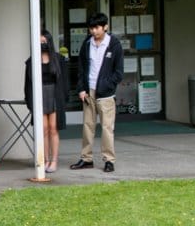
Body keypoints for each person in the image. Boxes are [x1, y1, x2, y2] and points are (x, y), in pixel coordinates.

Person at [70, 12, 124, 173]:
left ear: (105, 27)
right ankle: (86, 159)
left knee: (107, 128)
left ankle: (109, 160)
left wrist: (107, 85)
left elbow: (119, 72)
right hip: (88, 92)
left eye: (97, 28)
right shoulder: (87, 44)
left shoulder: (114, 45)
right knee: (87, 126)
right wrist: (81, 88)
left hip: (106, 94)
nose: (94, 31)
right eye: (91, 28)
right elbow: (81, 68)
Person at [24, 29, 69, 173]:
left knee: (53, 128)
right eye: (39, 42)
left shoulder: (59, 59)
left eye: (45, 41)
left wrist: (64, 99)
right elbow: (27, 84)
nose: (42, 44)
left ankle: (54, 160)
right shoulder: (32, 61)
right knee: (42, 129)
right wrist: (30, 103)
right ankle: (44, 159)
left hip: (55, 95)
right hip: (39, 96)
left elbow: (65, 82)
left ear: (49, 41)